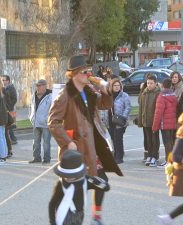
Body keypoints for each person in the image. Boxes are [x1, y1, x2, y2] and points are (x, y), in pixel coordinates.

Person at [48, 55, 123, 225]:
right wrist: (68, 141)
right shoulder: (65, 95)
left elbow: (104, 105)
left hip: (92, 146)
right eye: (85, 71)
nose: (88, 74)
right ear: (74, 73)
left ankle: (95, 217)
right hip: (76, 150)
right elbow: (53, 122)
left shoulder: (88, 90)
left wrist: (106, 91)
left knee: (100, 181)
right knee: (74, 192)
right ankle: (65, 218)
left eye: (89, 71)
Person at [49, 150, 110, 225]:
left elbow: (106, 187)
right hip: (63, 217)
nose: (67, 178)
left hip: (79, 216)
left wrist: (91, 178)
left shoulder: (85, 181)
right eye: (65, 175)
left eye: (70, 176)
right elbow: (52, 204)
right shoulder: (60, 184)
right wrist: (52, 222)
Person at [103, 78, 131, 164]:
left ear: (120, 86)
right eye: (115, 85)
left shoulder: (124, 95)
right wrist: (103, 118)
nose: (116, 87)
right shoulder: (108, 95)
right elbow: (103, 107)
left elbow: (128, 107)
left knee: (118, 139)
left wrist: (123, 116)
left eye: (118, 85)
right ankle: (115, 156)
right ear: (112, 86)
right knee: (113, 139)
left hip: (120, 121)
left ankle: (119, 157)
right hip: (109, 121)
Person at [152, 78, 178, 167]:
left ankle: (169, 161)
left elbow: (158, 113)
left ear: (162, 85)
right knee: (171, 142)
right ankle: (171, 160)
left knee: (167, 143)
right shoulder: (174, 95)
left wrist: (154, 126)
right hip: (173, 123)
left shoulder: (161, 96)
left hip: (164, 124)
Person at [138, 74, 161, 167]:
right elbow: (141, 108)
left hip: (154, 121)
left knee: (155, 139)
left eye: (151, 83)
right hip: (146, 121)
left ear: (155, 84)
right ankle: (149, 155)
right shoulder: (144, 93)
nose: (149, 85)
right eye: (148, 83)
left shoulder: (158, 93)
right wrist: (141, 121)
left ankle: (155, 157)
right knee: (148, 139)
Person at [29, 79, 52, 164]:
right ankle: (36, 158)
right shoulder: (33, 96)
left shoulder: (51, 96)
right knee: (35, 142)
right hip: (35, 122)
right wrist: (31, 117)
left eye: (40, 86)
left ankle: (46, 159)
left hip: (46, 123)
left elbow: (53, 109)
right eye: (37, 86)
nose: (38, 88)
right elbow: (30, 107)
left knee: (46, 142)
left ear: (45, 86)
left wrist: (48, 119)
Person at [2, 75, 18, 145]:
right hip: (6, 109)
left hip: (9, 109)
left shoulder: (11, 88)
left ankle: (12, 139)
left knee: (9, 125)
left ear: (8, 81)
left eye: (4, 80)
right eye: (2, 80)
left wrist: (9, 107)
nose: (2, 81)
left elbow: (15, 99)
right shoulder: (5, 88)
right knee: (8, 125)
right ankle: (12, 139)